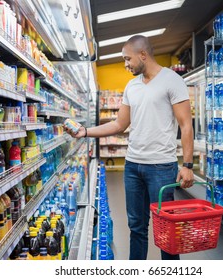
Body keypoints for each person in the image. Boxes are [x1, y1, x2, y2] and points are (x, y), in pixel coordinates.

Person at [64, 35, 194, 260]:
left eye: (127, 59)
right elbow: (119, 124)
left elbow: (186, 124)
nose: (125, 65)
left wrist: (188, 165)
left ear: (143, 54)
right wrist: (85, 132)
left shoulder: (172, 80)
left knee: (165, 228)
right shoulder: (131, 86)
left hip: (161, 167)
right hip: (133, 166)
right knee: (136, 227)